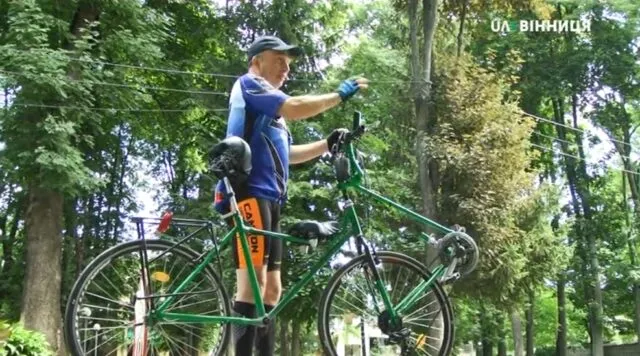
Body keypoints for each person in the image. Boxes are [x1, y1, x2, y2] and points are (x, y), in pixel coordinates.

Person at [213, 35, 368, 356]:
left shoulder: (275, 117)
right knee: (251, 286)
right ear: (257, 60)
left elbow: (288, 155)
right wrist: (339, 95)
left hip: (271, 201)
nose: (286, 68)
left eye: (289, 63)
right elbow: (295, 106)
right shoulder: (250, 84)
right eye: (279, 59)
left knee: (271, 290)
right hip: (247, 194)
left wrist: (327, 143)